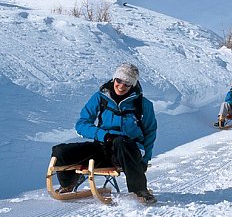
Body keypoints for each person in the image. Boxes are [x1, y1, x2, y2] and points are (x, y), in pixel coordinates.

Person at [51, 63, 158, 204]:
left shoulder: (143, 104)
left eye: (127, 83)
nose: (121, 86)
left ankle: (140, 190)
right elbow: (82, 124)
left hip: (129, 150)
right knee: (60, 151)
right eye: (119, 80)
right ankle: (68, 184)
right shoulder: (100, 97)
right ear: (114, 79)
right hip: (104, 146)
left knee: (121, 142)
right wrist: (103, 135)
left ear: (132, 85)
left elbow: (150, 132)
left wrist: (145, 159)